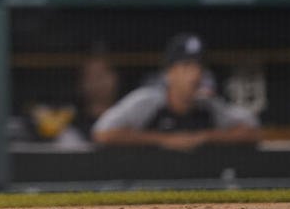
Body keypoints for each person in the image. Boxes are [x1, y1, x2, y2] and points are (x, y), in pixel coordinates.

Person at [91, 33, 260, 150]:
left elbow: (252, 132)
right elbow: (102, 133)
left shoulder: (206, 103)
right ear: (169, 72)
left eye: (199, 66)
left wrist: (204, 137)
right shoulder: (147, 100)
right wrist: (164, 140)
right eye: (186, 66)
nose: (195, 74)